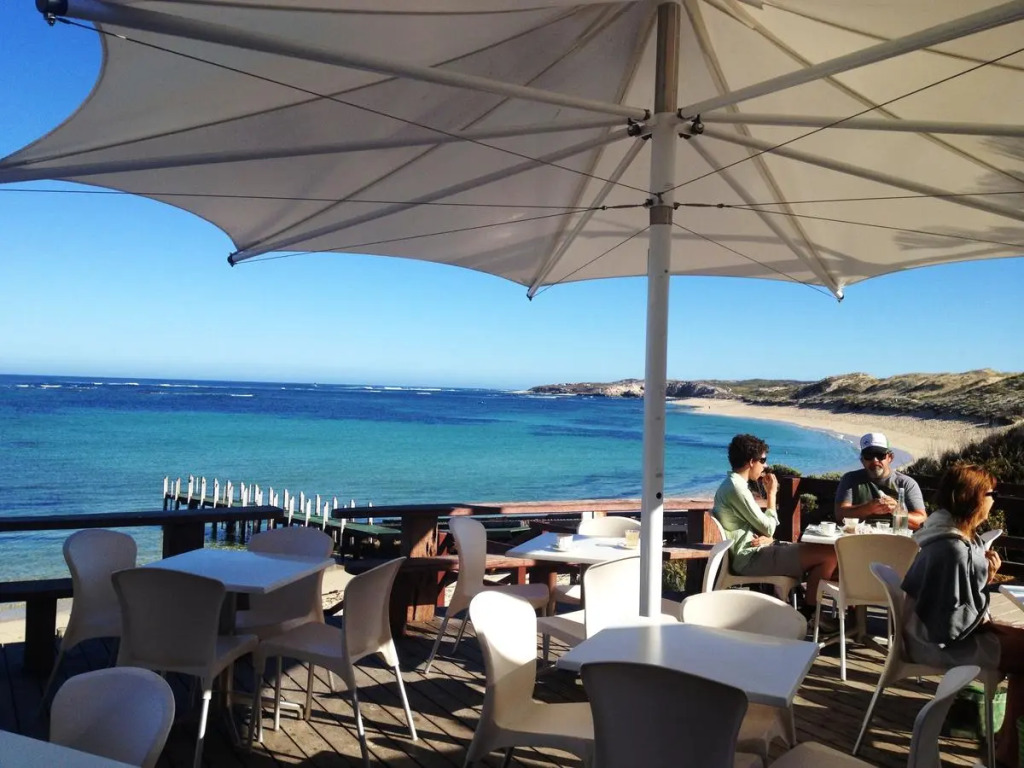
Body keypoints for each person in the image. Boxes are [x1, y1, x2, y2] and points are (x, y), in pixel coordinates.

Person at [902, 463, 1024, 767]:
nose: (994, 500)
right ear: (974, 497)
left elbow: (952, 601)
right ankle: (1008, 749)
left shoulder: (939, 529)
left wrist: (982, 577)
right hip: (934, 643)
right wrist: (986, 579)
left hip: (920, 629)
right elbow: (952, 623)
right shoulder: (952, 548)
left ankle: (1008, 741)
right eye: (992, 494)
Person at [712, 433, 838, 626]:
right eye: (763, 460)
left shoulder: (732, 485)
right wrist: (772, 494)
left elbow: (758, 528)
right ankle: (810, 615)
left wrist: (768, 537)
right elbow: (769, 527)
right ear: (751, 462)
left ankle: (811, 613)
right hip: (750, 558)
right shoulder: (737, 488)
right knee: (829, 555)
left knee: (826, 556)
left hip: (754, 552)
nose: (765, 466)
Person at [835, 432, 926, 529]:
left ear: (890, 458)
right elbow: (840, 515)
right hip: (860, 536)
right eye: (869, 456)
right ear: (862, 460)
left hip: (895, 537)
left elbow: (922, 521)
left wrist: (897, 511)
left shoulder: (906, 483)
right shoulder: (850, 479)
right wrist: (868, 508)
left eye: (880, 455)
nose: (875, 460)